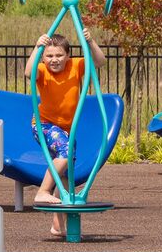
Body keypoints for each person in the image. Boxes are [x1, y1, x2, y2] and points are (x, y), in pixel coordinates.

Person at [25, 30, 107, 238]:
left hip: (66, 129)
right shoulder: (41, 70)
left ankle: (58, 226)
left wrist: (90, 41)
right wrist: (37, 47)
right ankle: (43, 191)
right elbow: (28, 72)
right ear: (43, 58)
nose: (54, 60)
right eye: (49, 56)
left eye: (59, 55)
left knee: (65, 177)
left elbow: (100, 62)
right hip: (44, 125)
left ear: (68, 56)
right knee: (65, 151)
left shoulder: (75, 66)